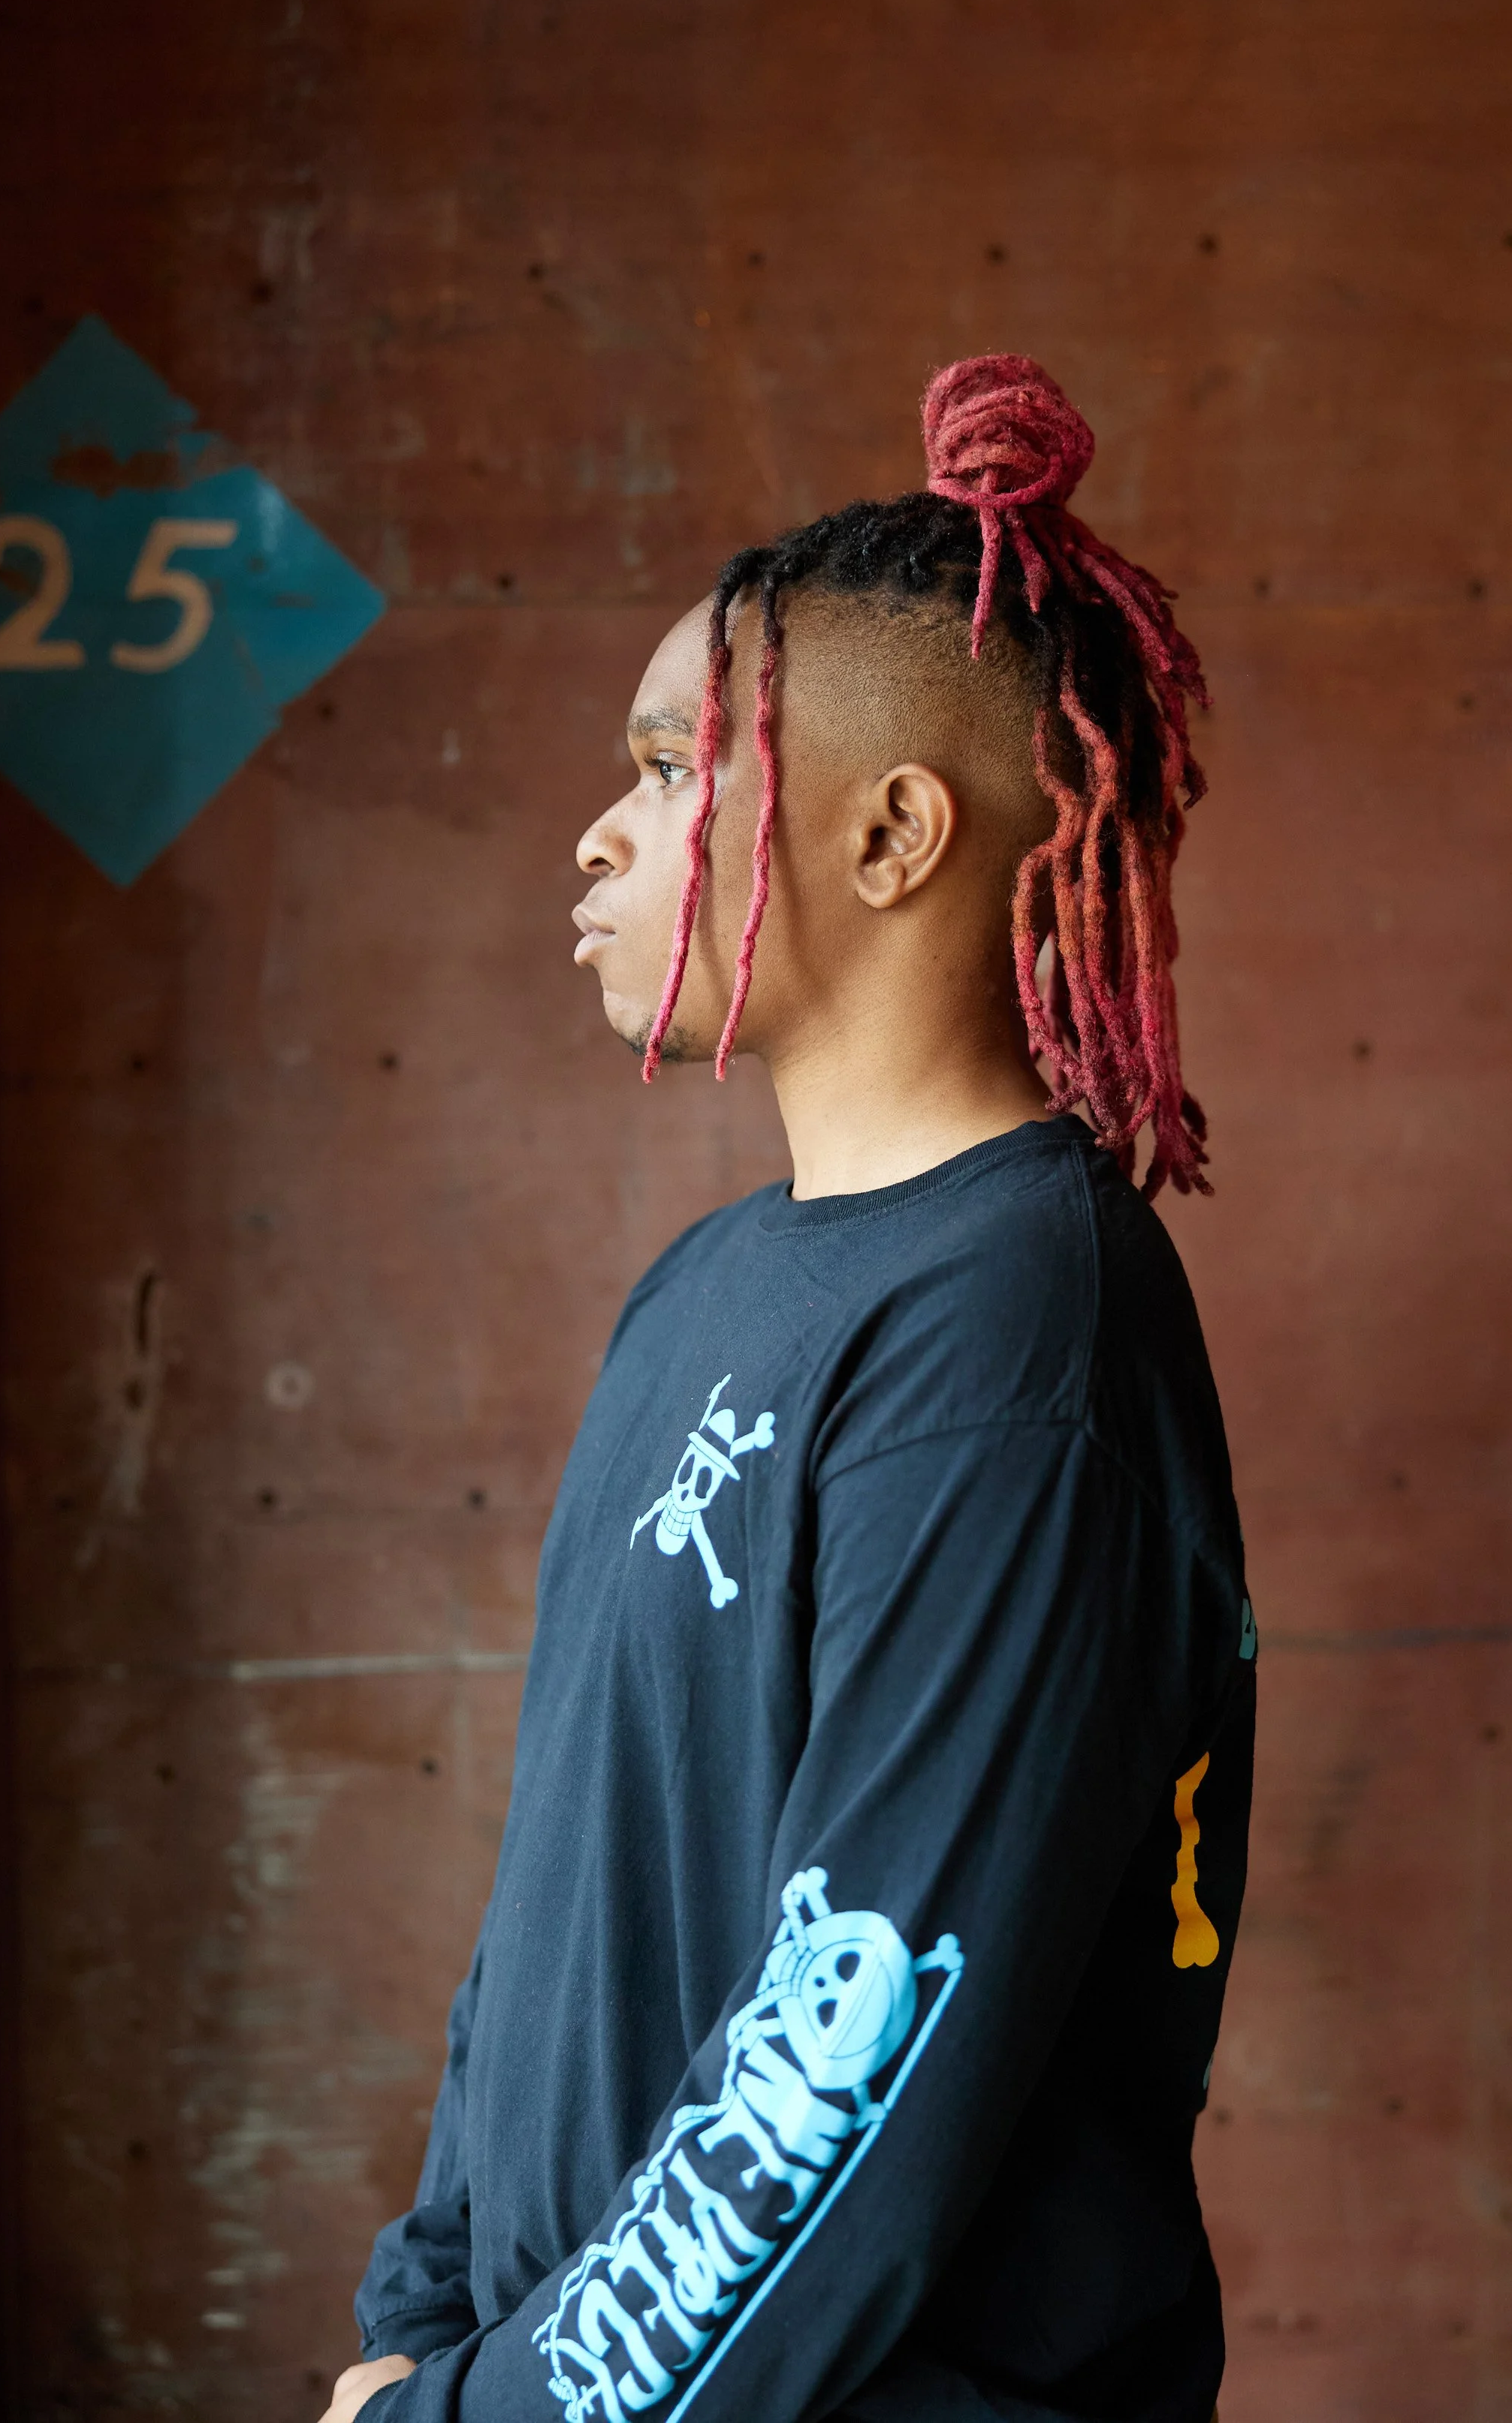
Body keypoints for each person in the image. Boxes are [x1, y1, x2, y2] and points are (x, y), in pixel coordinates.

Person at [322, 357, 1254, 2423]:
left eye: (670, 766)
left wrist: (478, 2416)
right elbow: (557, 1912)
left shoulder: (1018, 1331)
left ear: (890, 830)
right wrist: (428, 2315)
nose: (600, 832)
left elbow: (844, 2063)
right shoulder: (702, 1290)